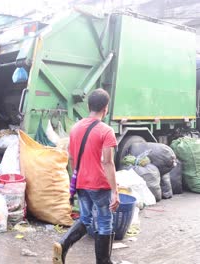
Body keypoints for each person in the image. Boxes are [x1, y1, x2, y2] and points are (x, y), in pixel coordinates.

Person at [53, 88, 120, 264]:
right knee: (105, 222)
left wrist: (77, 181)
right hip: (99, 185)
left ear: (88, 106)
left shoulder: (75, 128)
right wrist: (115, 191)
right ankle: (103, 261)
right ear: (105, 108)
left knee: (85, 219)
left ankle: (63, 244)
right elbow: (107, 162)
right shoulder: (106, 131)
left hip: (81, 182)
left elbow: (73, 158)